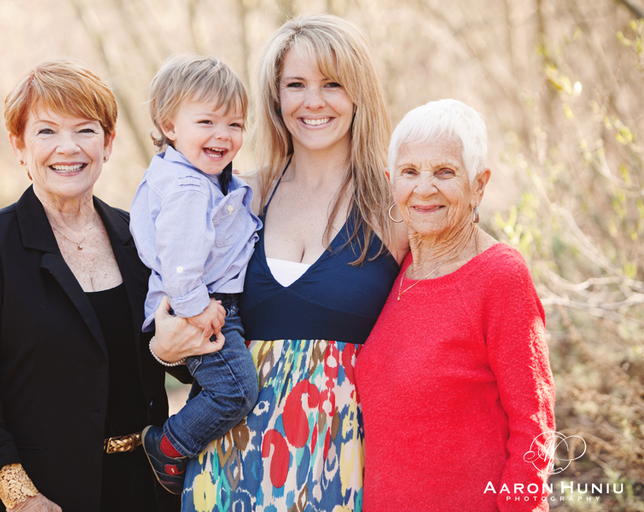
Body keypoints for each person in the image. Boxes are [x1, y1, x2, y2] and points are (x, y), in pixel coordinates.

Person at [0, 60, 223, 512]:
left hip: (142, 492)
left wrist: (170, 354)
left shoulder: (146, 239)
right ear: (19, 145)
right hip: (34, 498)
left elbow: (190, 361)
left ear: (108, 143)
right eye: (46, 131)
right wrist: (22, 498)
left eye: (85, 131)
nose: (67, 148)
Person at [180, 14, 407, 511]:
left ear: (358, 93)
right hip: (230, 465)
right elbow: (172, 284)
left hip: (342, 464)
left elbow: (485, 272)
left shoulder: (395, 203)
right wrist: (163, 346)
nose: (313, 101)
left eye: (332, 84)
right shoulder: (243, 195)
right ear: (276, 97)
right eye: (296, 85)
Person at [356, 99, 555, 511]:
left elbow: (534, 427)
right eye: (410, 172)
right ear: (392, 181)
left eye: (444, 172)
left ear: (478, 185)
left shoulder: (500, 276)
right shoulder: (397, 270)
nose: (424, 188)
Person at [129, 55, 261, 494]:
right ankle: (169, 444)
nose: (222, 135)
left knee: (227, 386)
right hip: (198, 307)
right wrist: (197, 308)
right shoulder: (187, 188)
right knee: (236, 391)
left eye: (235, 125)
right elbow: (180, 261)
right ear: (170, 126)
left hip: (204, 304)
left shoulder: (198, 176)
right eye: (206, 121)